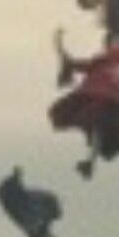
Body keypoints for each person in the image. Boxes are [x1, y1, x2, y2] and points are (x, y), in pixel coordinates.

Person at [50, 28, 119, 179]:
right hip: (103, 102)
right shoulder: (100, 62)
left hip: (109, 103)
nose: (116, 44)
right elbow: (72, 62)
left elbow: (72, 63)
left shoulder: (101, 61)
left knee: (100, 127)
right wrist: (59, 44)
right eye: (114, 41)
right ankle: (90, 163)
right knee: (98, 127)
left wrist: (59, 46)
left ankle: (90, 163)